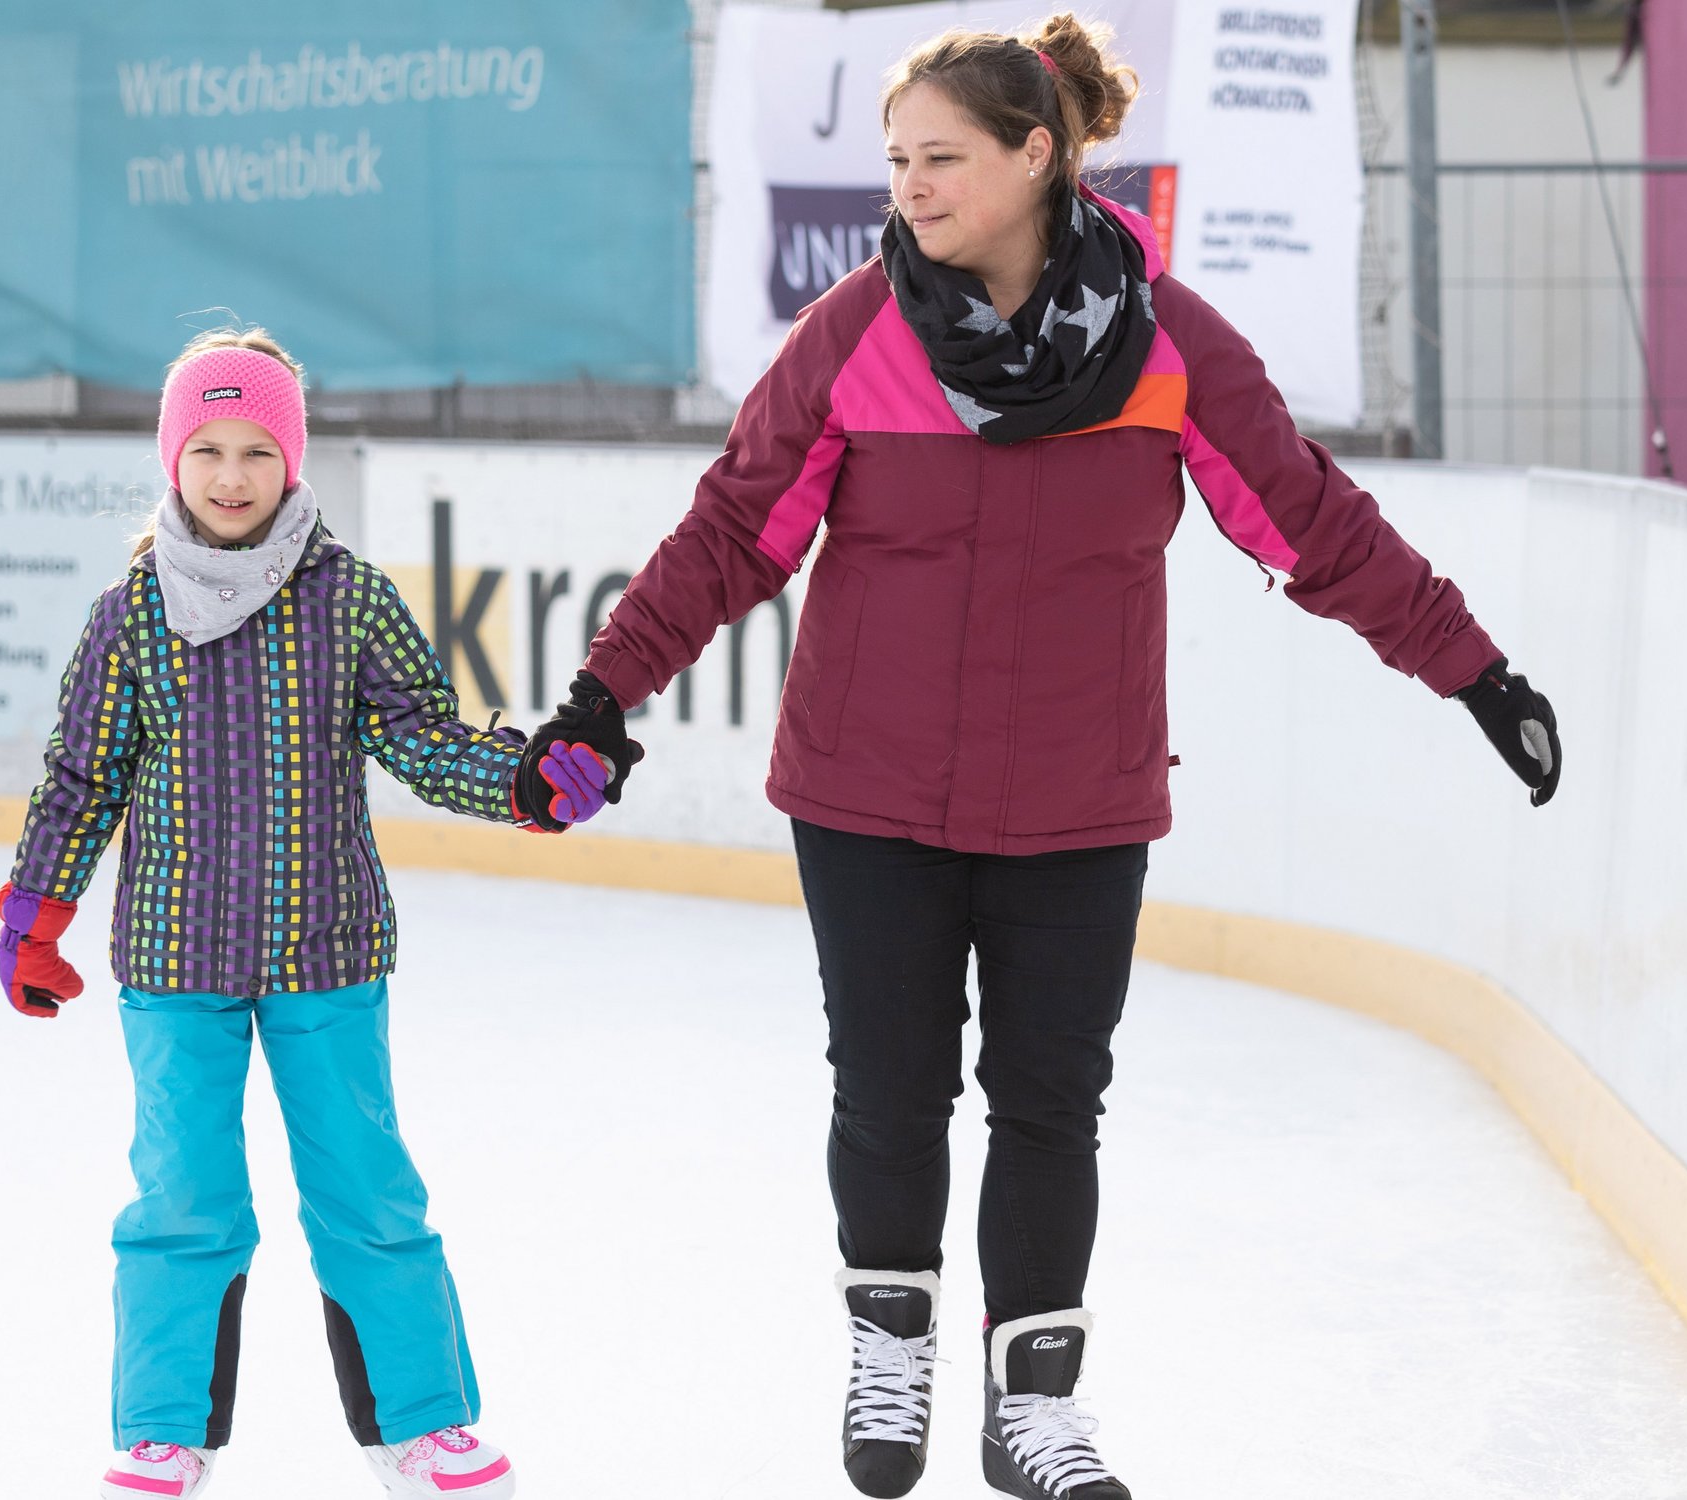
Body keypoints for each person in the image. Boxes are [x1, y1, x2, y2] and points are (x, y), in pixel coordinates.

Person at [527, 15, 1561, 1500]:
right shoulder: (857, 335)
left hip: (1078, 797)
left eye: (941, 159)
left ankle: (1035, 1410)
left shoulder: (1170, 346)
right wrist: (605, 691)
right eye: (896, 162)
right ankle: (891, 1352)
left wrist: (1473, 671)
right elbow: (733, 533)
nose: (910, 189)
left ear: (1039, 153)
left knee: (1049, 1101)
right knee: (888, 1091)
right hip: (868, 792)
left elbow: (1312, 526)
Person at [0, 328, 620, 1500]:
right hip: (174, 965)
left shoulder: (348, 602)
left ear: (293, 461)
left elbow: (423, 739)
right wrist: (36, 911)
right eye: (208, 449)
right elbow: (80, 777)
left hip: (325, 954)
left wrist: (525, 783)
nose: (232, 476)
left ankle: (423, 1424)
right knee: (182, 1202)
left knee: (367, 1194)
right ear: (171, 460)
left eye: (257, 451)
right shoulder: (130, 616)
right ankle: (162, 1429)